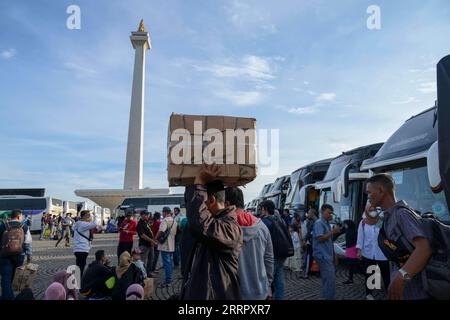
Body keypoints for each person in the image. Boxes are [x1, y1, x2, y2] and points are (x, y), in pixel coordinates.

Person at [180, 164, 243, 300]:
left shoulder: (231, 229)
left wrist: (198, 185)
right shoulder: (217, 225)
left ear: (212, 200)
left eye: (203, 202)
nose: (201, 207)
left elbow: (202, 225)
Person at [366, 174, 432, 300]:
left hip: (416, 293)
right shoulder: (388, 217)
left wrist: (401, 277)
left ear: (381, 190)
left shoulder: (402, 214)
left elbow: (424, 248)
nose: (368, 197)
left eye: (369, 192)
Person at [225, 187, 274, 300]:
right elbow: (269, 259)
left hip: (233, 293)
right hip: (260, 291)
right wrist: (268, 285)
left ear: (226, 204)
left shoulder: (222, 229)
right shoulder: (262, 227)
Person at [356, 201, 390, 300]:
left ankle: (389, 292)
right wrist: (359, 250)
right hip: (368, 253)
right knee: (370, 273)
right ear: (366, 211)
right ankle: (369, 294)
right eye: (370, 210)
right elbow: (360, 237)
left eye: (374, 209)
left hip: (382, 253)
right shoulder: (363, 223)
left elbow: (387, 235)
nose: (372, 211)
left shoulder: (381, 221)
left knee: (386, 274)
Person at [0, 209, 32, 300]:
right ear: (19, 216)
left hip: (5, 255)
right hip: (19, 255)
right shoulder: (24, 226)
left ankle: (7, 297)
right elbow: (28, 242)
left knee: (5, 277)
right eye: (21, 216)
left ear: (11, 216)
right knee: (14, 276)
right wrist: (29, 255)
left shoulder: (3, 225)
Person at [260, 200, 289, 300]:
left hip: (272, 255)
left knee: (266, 282)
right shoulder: (280, 220)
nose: (260, 211)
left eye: (262, 209)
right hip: (282, 254)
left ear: (265, 209)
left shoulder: (265, 222)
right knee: (279, 282)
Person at [312, 204, 341, 300]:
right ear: (322, 212)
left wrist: (334, 255)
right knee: (329, 279)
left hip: (327, 255)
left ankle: (327, 297)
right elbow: (320, 238)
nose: (330, 215)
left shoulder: (327, 223)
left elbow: (329, 241)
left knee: (328, 279)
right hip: (322, 255)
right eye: (328, 213)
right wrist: (333, 231)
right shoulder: (319, 223)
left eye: (331, 213)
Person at [155, 207, 177, 287]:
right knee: (170, 263)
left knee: (167, 263)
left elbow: (161, 231)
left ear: (165, 212)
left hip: (165, 245)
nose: (162, 214)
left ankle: (168, 281)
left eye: (163, 212)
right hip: (172, 244)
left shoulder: (165, 220)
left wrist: (155, 239)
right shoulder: (174, 220)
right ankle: (170, 278)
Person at [73, 210, 98, 276]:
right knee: (81, 267)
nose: (89, 217)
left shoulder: (78, 223)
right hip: (82, 248)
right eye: (88, 216)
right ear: (84, 216)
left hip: (77, 248)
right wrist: (95, 215)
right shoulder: (83, 224)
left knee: (79, 266)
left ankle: (77, 281)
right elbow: (95, 224)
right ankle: (79, 282)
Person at [136, 210, 157, 276]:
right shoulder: (140, 224)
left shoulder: (146, 222)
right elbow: (142, 235)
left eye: (148, 215)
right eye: (147, 215)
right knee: (143, 261)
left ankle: (148, 273)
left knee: (151, 259)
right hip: (144, 245)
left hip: (150, 245)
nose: (148, 216)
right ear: (142, 215)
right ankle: (142, 274)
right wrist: (151, 240)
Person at [340, 220, 359, 285]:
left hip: (352, 248)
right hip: (349, 248)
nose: (345, 225)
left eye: (345, 224)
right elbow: (340, 231)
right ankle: (350, 279)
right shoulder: (348, 230)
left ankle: (351, 278)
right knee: (350, 265)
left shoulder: (353, 231)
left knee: (354, 264)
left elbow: (354, 240)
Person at [302, 208, 318, 279]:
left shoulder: (314, 221)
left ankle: (307, 273)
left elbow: (309, 233)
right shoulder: (312, 220)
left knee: (309, 256)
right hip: (313, 241)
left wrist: (305, 240)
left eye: (309, 213)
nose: (307, 214)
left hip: (312, 241)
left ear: (312, 213)